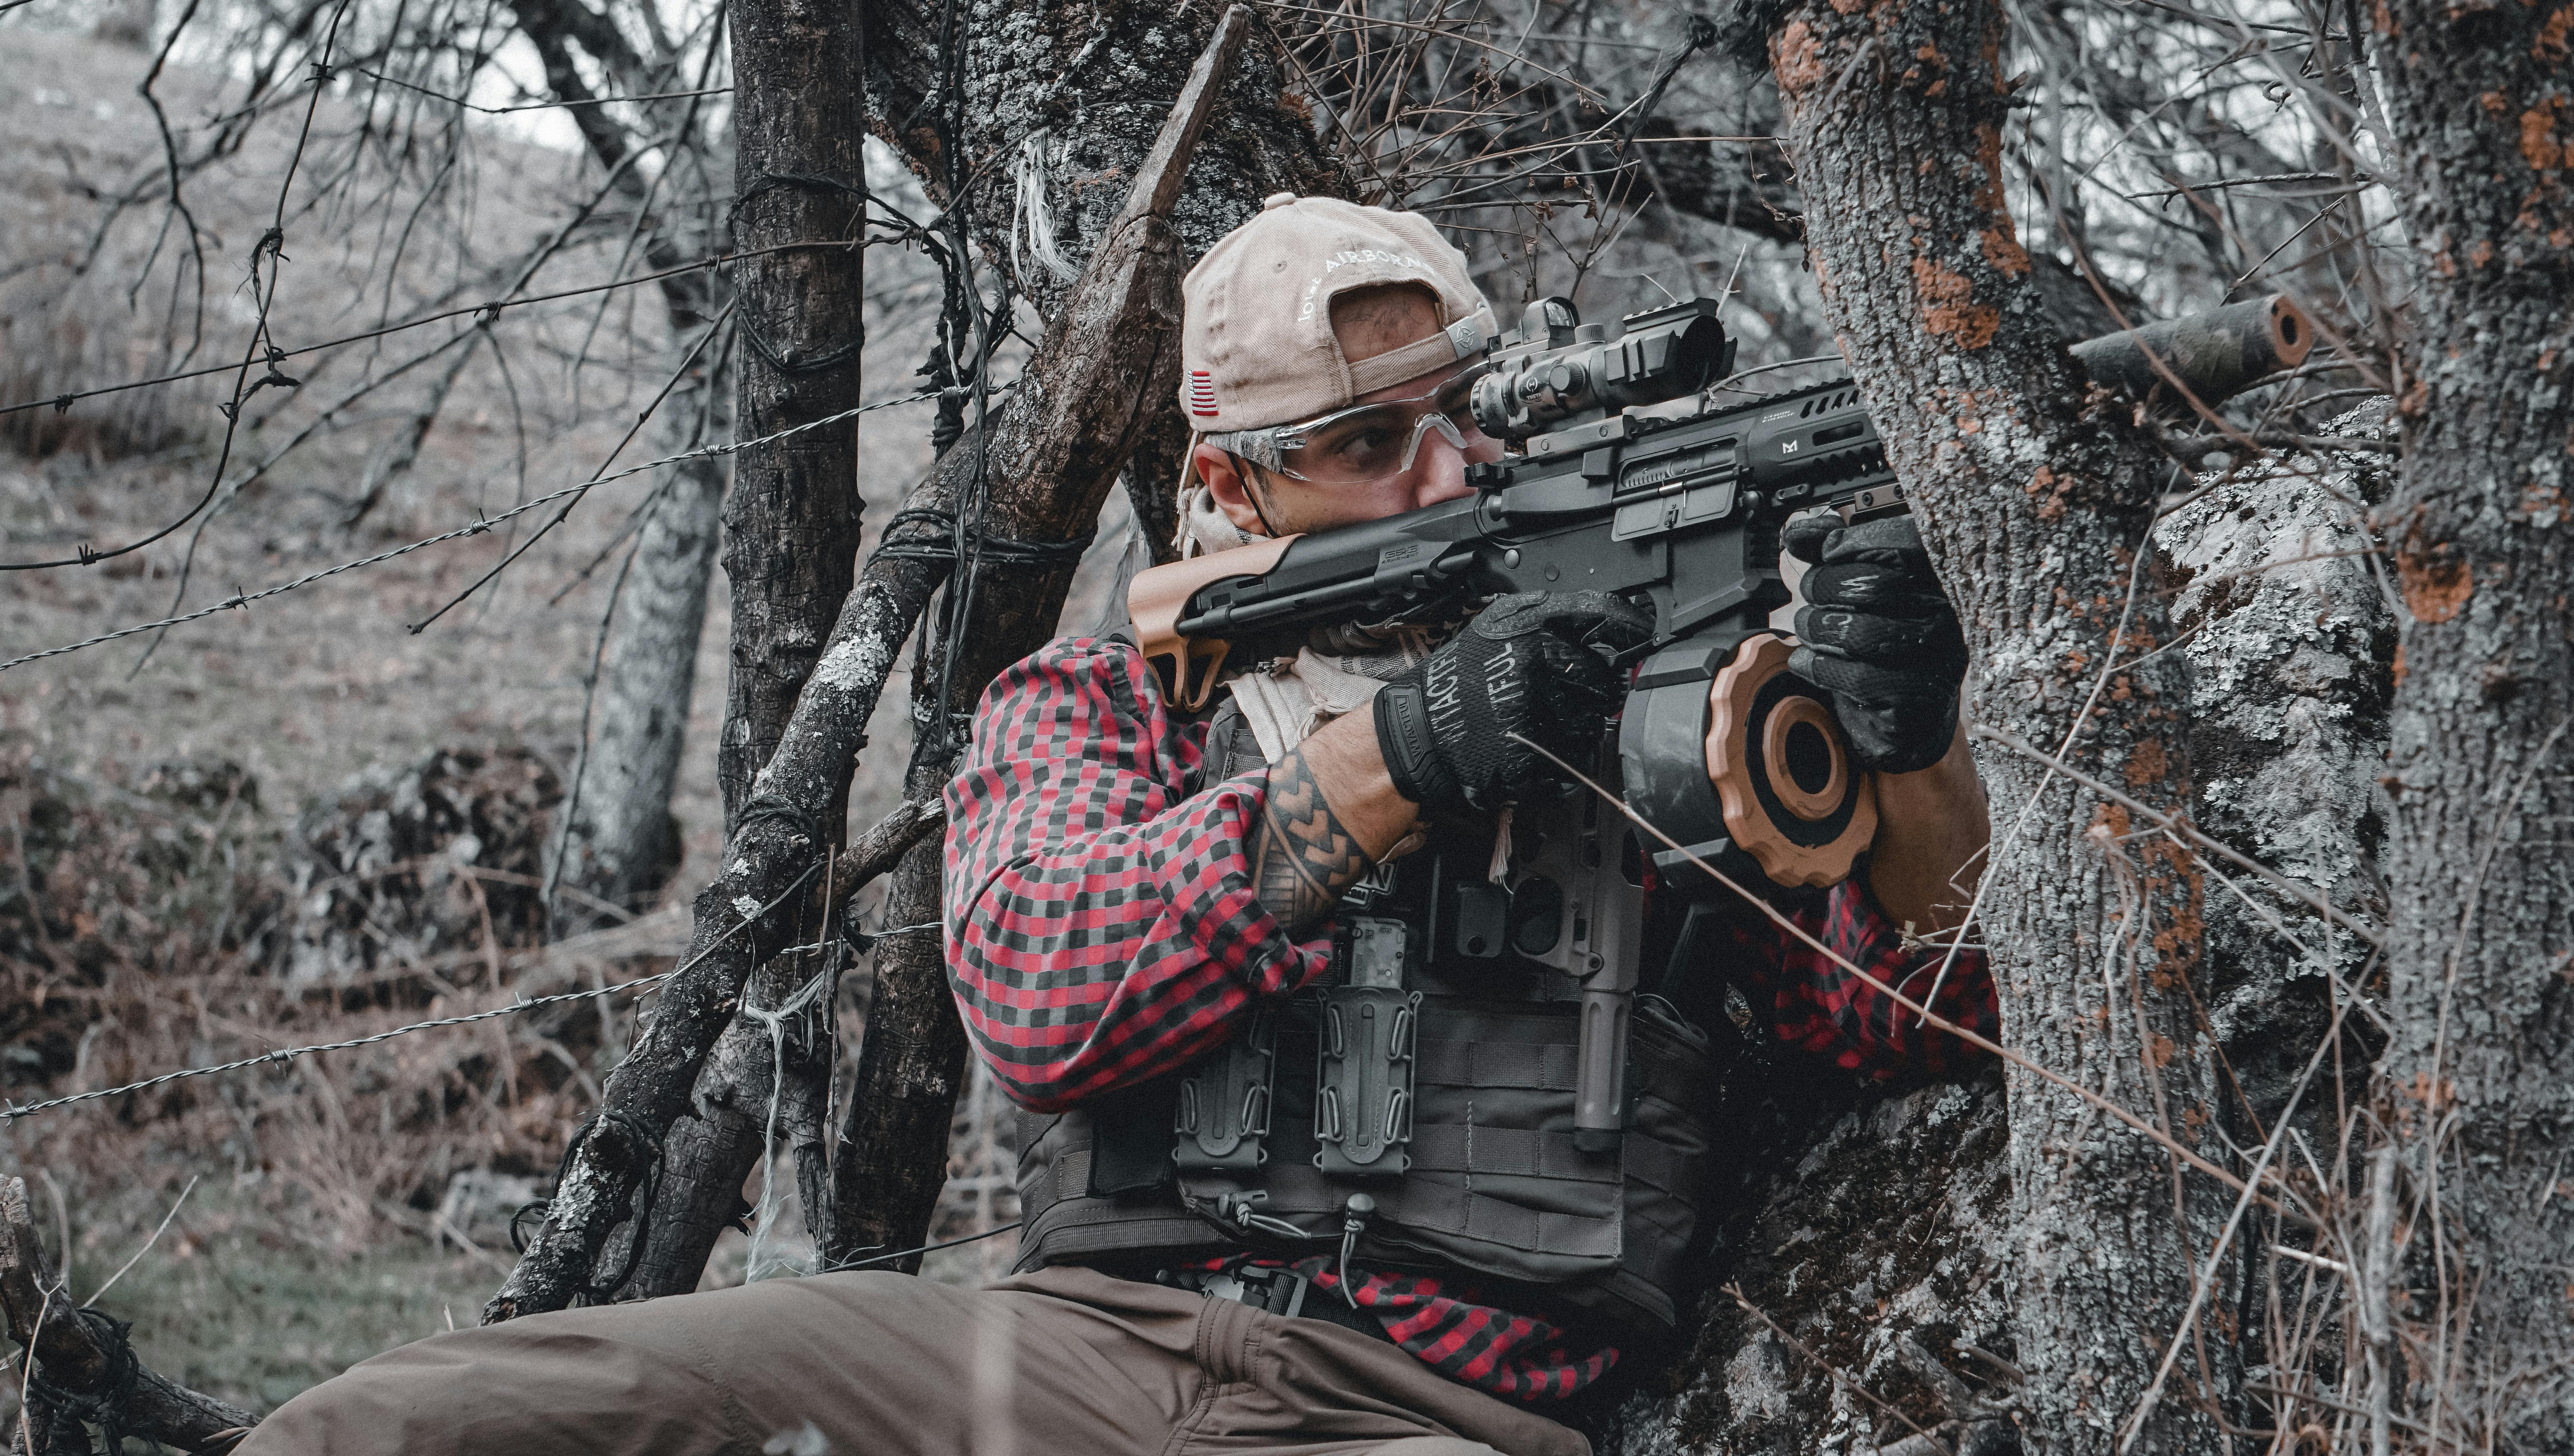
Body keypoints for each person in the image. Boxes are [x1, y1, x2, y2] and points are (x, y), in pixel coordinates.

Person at [235, 196, 1997, 1456]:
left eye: (1459, 418)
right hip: (1063, 1360)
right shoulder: (1105, 709)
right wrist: (1407, 752)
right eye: (1372, 441)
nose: (1447, 469)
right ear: (1229, 488)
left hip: (1435, 1414)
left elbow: (1924, 1013)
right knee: (402, 1422)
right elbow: (1042, 988)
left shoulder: (1663, 714)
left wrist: (1905, 740)